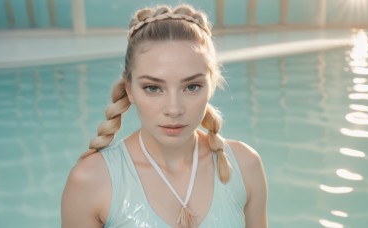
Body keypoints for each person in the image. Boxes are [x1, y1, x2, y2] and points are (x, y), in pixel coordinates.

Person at [61, 4, 267, 228]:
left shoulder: (245, 166)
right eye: (153, 88)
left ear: (212, 85)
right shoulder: (91, 180)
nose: (174, 109)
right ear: (129, 89)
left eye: (191, 87)